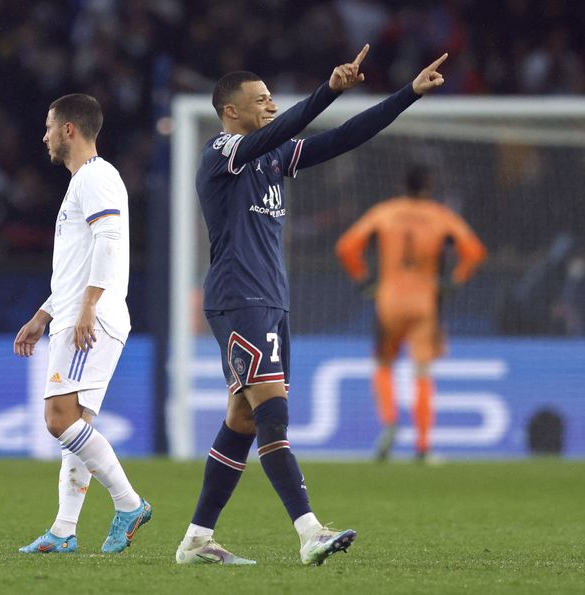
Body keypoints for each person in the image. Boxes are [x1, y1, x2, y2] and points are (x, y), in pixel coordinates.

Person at [175, 45, 448, 566]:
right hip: (240, 299)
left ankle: (196, 540)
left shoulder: (274, 157)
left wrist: (406, 95)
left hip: (271, 300)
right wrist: (327, 92)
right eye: (261, 101)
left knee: (244, 419)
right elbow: (277, 133)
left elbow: (345, 137)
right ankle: (309, 532)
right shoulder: (222, 151)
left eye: (273, 99)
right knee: (273, 414)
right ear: (232, 111)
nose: (272, 107)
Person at [14, 94, 151, 554]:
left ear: (70, 128)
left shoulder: (97, 177)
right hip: (80, 312)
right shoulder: (84, 182)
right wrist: (42, 315)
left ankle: (129, 503)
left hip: (91, 318)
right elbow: (77, 266)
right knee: (77, 425)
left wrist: (88, 306)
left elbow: (109, 240)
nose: (45, 136)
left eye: (50, 127)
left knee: (58, 419)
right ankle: (63, 530)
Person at [336, 166, 487, 462]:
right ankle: (422, 444)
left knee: (383, 364)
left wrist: (363, 279)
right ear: (428, 186)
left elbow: (346, 247)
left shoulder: (385, 211)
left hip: (389, 300)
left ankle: (390, 420)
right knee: (422, 373)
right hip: (424, 302)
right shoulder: (440, 215)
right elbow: (474, 251)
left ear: (401, 185)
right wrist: (454, 282)